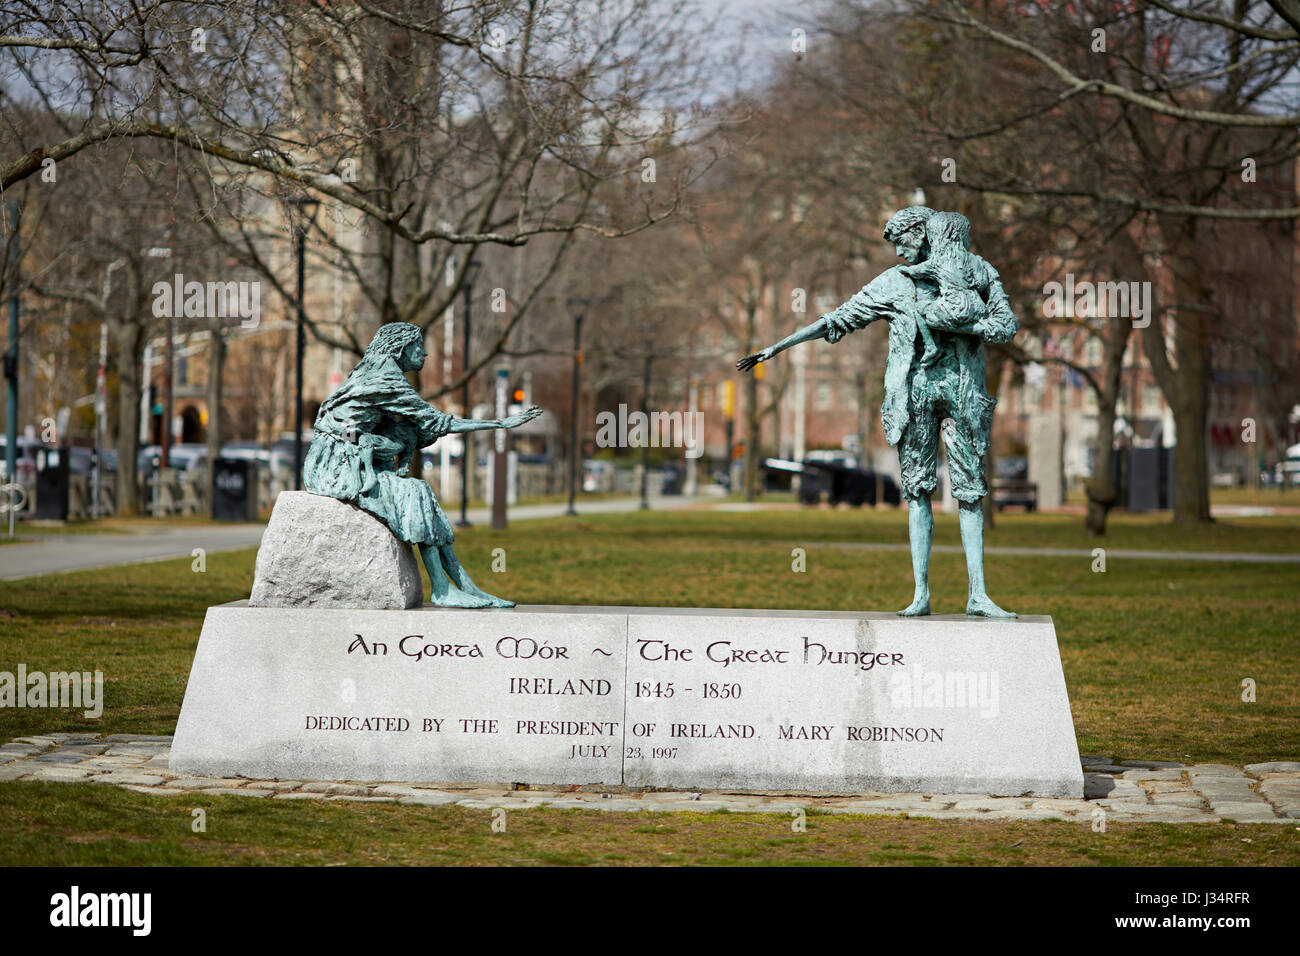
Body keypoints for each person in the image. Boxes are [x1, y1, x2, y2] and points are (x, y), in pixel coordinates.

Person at [737, 206, 1019, 618]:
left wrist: (953, 322)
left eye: (902, 241)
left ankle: (978, 594)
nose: (900, 252)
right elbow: (838, 319)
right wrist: (776, 348)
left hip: (963, 393)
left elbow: (1005, 325)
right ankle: (921, 593)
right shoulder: (893, 283)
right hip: (913, 394)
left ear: (921, 232)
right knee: (917, 491)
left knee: (970, 492)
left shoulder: (976, 270)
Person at [305, 322, 541, 608]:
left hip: (342, 454)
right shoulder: (386, 379)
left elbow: (355, 424)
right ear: (401, 347)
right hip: (339, 465)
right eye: (419, 345)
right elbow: (437, 421)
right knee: (415, 492)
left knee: (419, 492)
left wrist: (367, 438)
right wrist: (499, 423)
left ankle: (465, 587)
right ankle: (443, 589)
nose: (425, 353)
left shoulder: (371, 370)